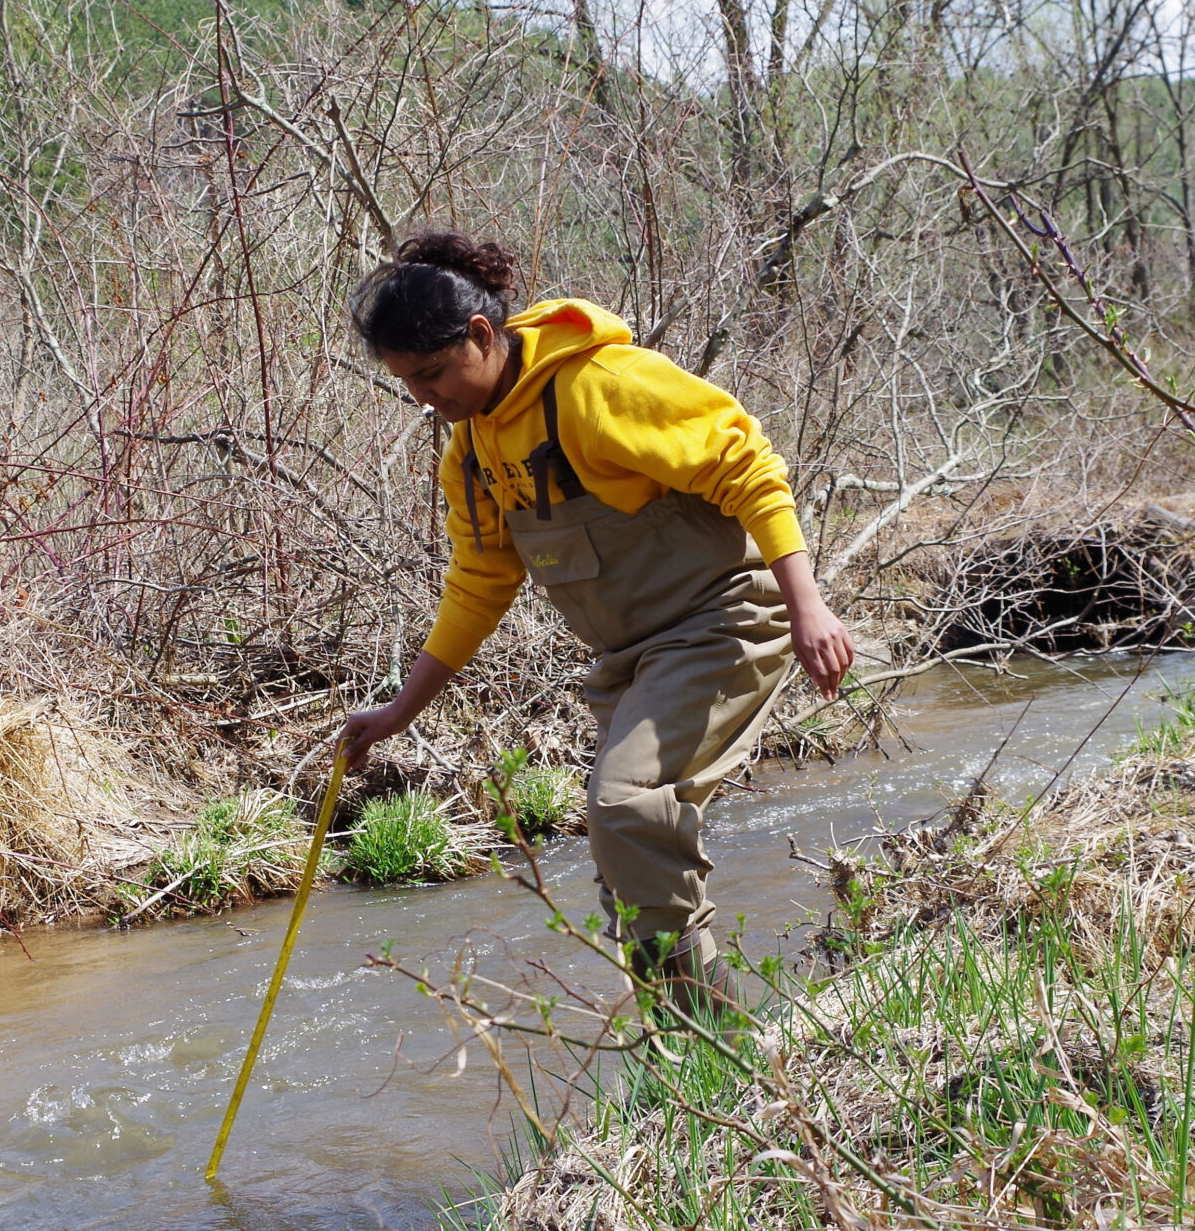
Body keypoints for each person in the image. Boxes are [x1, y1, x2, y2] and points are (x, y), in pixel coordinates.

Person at [335, 232, 856, 1002]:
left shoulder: (597, 386)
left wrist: (809, 606)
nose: (426, 400)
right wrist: (400, 712)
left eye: (434, 374)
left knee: (624, 805)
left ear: (482, 336)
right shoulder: (472, 457)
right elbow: (480, 583)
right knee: (625, 862)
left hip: (723, 621)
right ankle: (696, 1055)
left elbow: (747, 466)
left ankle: (710, 1050)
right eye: (409, 382)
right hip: (633, 659)